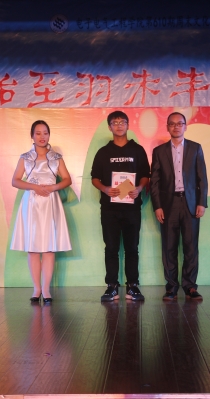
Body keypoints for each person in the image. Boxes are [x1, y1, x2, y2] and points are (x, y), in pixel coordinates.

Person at [10, 120, 72, 304]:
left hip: (50, 202)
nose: (42, 137)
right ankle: (36, 289)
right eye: (38, 133)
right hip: (32, 204)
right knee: (33, 248)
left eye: (45, 133)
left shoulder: (56, 157)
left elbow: (67, 179)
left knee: (49, 248)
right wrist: (34, 187)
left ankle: (46, 289)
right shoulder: (25, 157)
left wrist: (53, 187)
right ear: (32, 136)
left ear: (49, 135)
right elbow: (15, 180)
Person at [91, 110, 150, 301]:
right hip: (110, 209)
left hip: (132, 208)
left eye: (122, 122)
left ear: (128, 125)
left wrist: (139, 188)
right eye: (115, 122)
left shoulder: (137, 150)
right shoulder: (103, 152)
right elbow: (94, 177)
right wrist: (105, 189)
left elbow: (145, 175)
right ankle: (112, 286)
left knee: (132, 248)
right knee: (111, 248)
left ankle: (133, 286)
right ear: (109, 127)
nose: (119, 125)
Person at [150, 112, 208, 300]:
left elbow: (202, 178)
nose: (176, 127)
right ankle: (172, 287)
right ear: (167, 127)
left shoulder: (195, 148)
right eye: (172, 124)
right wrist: (157, 206)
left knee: (191, 247)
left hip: (190, 204)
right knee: (169, 247)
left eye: (180, 123)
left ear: (185, 126)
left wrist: (202, 202)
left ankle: (190, 286)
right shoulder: (159, 151)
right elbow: (154, 182)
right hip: (168, 205)